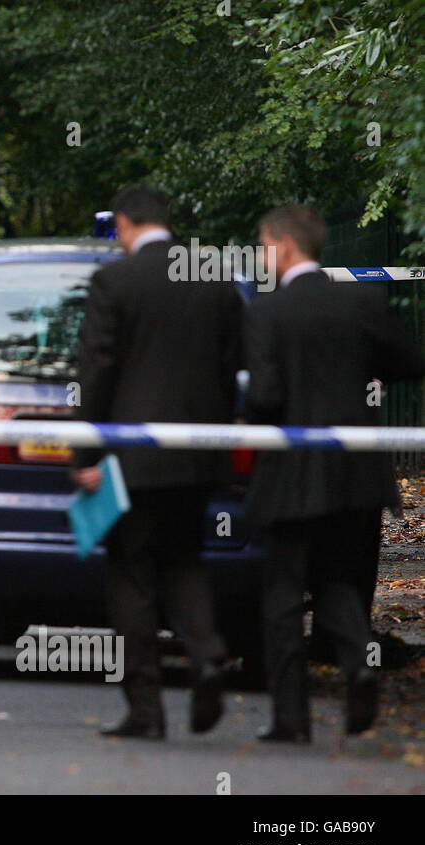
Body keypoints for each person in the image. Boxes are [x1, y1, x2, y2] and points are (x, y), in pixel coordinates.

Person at [244, 204, 425, 742]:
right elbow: (411, 362)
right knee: (339, 585)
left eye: (261, 245)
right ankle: (357, 668)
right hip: (358, 475)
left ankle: (290, 721)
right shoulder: (358, 303)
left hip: (291, 477)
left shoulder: (267, 314)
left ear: (281, 244)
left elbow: (265, 398)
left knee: (280, 596)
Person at [70, 185, 240, 740]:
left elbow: (96, 372)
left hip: (132, 460)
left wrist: (86, 453)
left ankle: (146, 709)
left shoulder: (113, 281)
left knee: (131, 575)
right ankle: (208, 655)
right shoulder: (212, 277)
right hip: (196, 456)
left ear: (122, 224)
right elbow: (232, 364)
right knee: (185, 561)